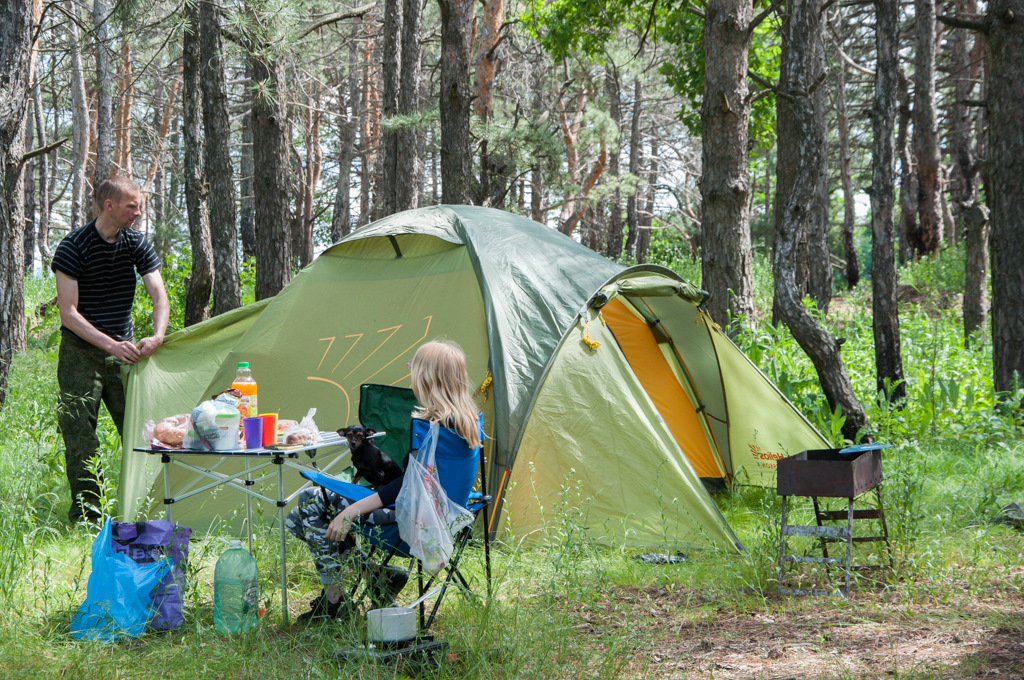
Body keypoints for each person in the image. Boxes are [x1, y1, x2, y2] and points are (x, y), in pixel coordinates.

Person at [286, 339, 483, 622]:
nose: (410, 375)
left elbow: (403, 487)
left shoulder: (434, 430)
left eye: (412, 368)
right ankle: (377, 576)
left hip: (413, 528)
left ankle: (336, 603)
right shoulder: (467, 422)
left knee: (309, 502)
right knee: (298, 516)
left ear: (426, 378)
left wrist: (352, 510)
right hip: (443, 521)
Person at [51, 176, 169, 523]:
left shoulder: (136, 243)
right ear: (109, 206)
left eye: (139, 205)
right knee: (79, 432)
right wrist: (110, 345)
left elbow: (159, 296)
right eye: (132, 205)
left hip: (126, 352)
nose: (138, 211)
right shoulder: (73, 246)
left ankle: (149, 508)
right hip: (80, 351)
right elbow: (69, 314)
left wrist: (158, 335)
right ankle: (88, 513)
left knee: (141, 430)